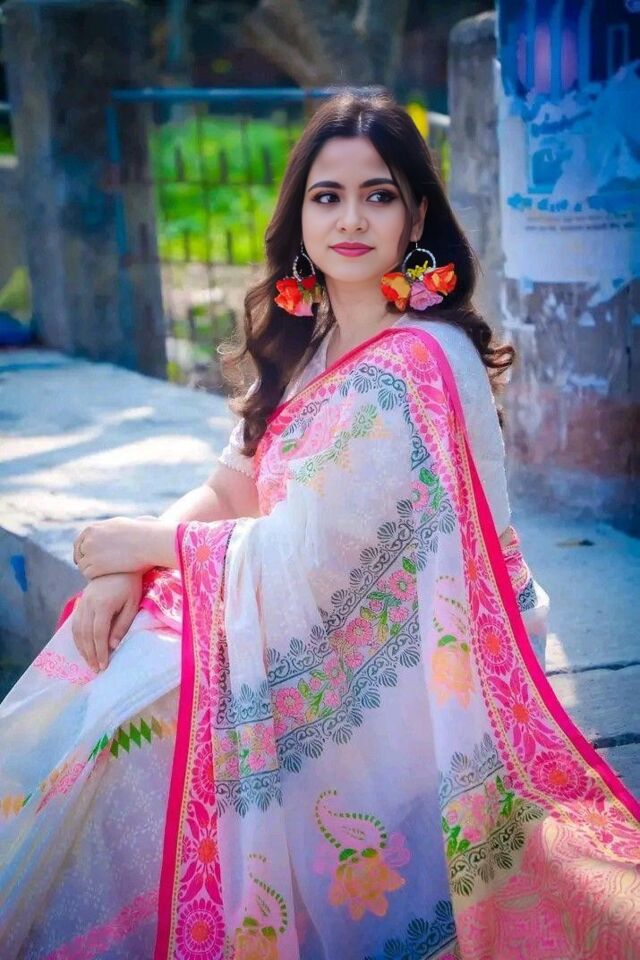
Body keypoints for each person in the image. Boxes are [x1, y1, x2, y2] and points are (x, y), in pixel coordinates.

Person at [0, 92, 638, 960]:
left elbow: (311, 556)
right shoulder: (306, 340)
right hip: (309, 616)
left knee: (136, 710)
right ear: (299, 214)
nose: (351, 219)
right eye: (327, 196)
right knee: (101, 666)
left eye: (379, 195)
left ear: (417, 215)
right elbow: (231, 489)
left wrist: (140, 545)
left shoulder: (425, 358)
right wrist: (123, 567)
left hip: (412, 655)